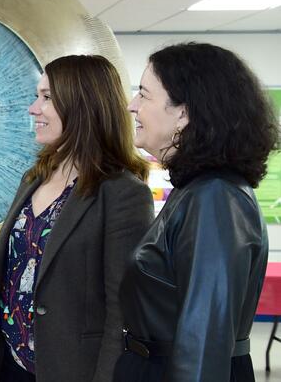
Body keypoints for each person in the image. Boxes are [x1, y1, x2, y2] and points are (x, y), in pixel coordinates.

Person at [0, 55, 154, 382]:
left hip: (71, 369)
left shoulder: (121, 193)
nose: (34, 108)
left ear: (82, 105)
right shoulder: (34, 179)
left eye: (46, 98)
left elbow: (123, 313)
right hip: (10, 364)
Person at [116, 42, 280, 382]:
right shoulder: (196, 190)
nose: (133, 107)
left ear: (185, 112)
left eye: (144, 95)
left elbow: (204, 343)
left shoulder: (214, 198)